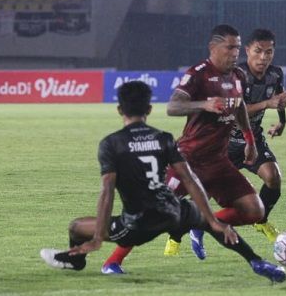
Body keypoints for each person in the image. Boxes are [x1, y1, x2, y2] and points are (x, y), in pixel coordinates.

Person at [41, 81, 286, 283]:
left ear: (119, 110)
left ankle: (77, 261)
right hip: (175, 211)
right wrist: (212, 219)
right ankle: (256, 260)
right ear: (148, 109)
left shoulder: (111, 143)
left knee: (76, 226)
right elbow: (189, 179)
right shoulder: (164, 138)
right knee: (209, 224)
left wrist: (98, 237)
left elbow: (107, 191)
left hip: (139, 222)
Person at [103, 24, 268, 267]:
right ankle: (112, 263)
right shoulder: (198, 74)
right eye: (230, 47)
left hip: (218, 162)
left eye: (237, 47)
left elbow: (240, 105)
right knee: (152, 215)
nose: (235, 53)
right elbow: (173, 107)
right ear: (213, 47)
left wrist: (249, 139)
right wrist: (204, 104)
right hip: (188, 160)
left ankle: (201, 225)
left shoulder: (238, 76)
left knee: (254, 210)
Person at [226, 28, 286, 242]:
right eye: (258, 51)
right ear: (247, 51)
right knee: (204, 191)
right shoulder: (237, 75)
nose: (263, 57)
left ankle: (260, 221)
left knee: (273, 178)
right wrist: (267, 104)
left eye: (269, 52)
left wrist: (282, 120)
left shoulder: (276, 73)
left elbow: (279, 98)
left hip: (252, 138)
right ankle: (177, 236)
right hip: (224, 141)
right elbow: (235, 111)